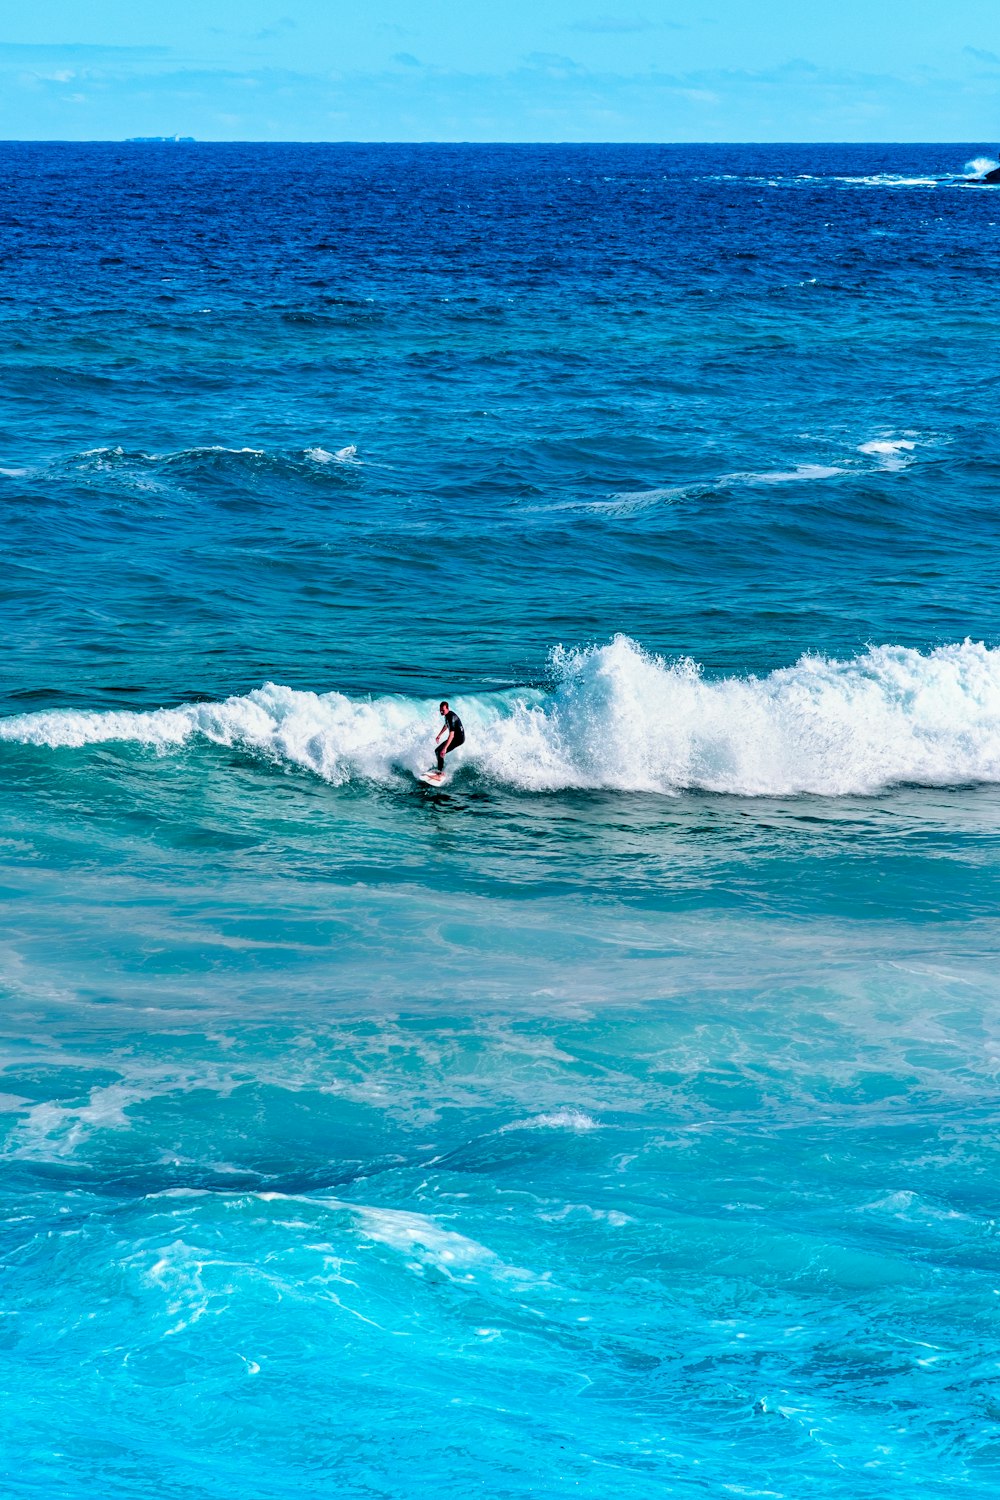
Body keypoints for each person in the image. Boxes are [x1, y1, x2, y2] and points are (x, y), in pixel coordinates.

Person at [434, 700, 465, 774]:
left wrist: (444, 748)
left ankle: (440, 772)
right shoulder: (447, 715)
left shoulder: (451, 718)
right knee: (437, 751)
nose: (441, 712)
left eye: (443, 710)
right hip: (455, 737)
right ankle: (441, 767)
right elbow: (446, 725)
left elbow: (451, 735)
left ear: (447, 709)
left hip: (458, 739)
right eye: (440, 710)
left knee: (440, 751)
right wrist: (439, 735)